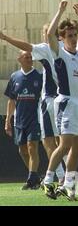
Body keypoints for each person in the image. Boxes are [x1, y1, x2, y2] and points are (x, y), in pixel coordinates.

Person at [42, 2, 78, 201]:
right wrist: (59, 11)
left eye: (75, 34)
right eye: (70, 35)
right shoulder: (59, 52)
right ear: (62, 38)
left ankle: (68, 184)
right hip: (66, 102)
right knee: (65, 144)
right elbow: (50, 34)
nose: (74, 39)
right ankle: (48, 179)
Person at [0, 22, 66, 186]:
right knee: (64, 142)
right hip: (65, 99)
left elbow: (26, 46)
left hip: (51, 100)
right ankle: (62, 177)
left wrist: (5, 37)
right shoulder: (66, 49)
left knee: (49, 141)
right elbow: (11, 99)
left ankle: (58, 176)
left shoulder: (46, 50)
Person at [4, 51, 43, 190]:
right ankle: (36, 177)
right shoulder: (15, 77)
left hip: (35, 118)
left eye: (31, 57)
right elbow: (11, 100)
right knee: (22, 150)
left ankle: (31, 180)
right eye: (26, 57)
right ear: (19, 59)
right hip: (19, 120)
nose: (29, 59)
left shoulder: (39, 76)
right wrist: (8, 120)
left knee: (32, 146)